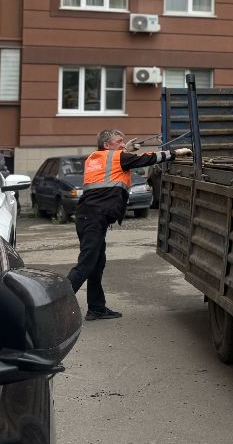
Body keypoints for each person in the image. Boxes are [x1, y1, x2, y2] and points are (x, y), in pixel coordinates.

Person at [68, 129, 192, 320]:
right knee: (86, 265)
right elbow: (146, 159)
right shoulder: (118, 157)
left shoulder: (94, 157)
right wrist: (174, 153)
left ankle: (96, 308)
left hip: (89, 217)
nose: (123, 144)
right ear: (107, 145)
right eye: (119, 141)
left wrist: (127, 149)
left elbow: (119, 161)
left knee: (96, 264)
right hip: (93, 218)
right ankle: (54, 306)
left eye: (123, 141)